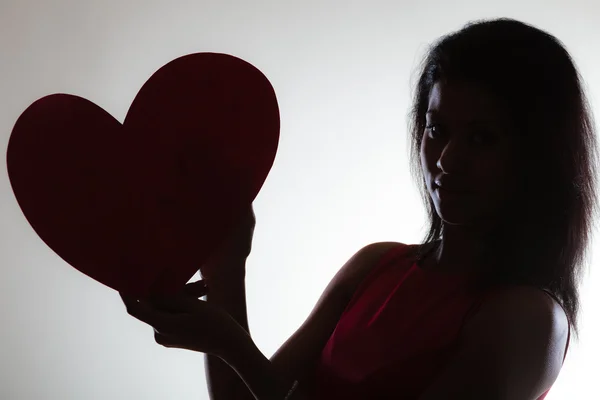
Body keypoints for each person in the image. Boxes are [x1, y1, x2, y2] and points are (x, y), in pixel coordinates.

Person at [121, 17, 599, 399]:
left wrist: (230, 344)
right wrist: (226, 266)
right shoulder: (376, 265)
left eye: (482, 138)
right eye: (437, 129)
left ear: (536, 156)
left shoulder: (527, 317)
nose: (448, 159)